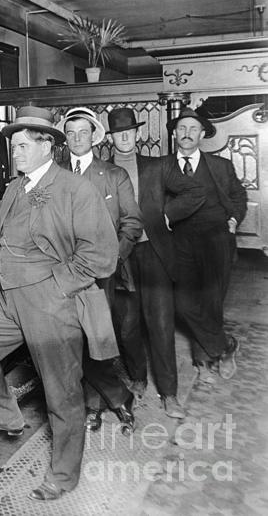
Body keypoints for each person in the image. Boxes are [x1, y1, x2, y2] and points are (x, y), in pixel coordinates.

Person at [0, 106, 118, 502]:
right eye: (14, 147)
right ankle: (4, 415)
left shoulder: (76, 189)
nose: (16, 153)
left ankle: (63, 475)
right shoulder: (16, 186)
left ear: (48, 145)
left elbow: (102, 254)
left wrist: (58, 287)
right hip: (8, 297)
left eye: (24, 146)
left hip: (51, 302)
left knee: (62, 393)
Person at [105, 107, 205, 419]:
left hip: (154, 253)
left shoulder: (158, 166)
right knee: (128, 325)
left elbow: (195, 190)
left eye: (129, 131)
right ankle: (137, 377)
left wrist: (166, 215)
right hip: (121, 255)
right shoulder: (102, 170)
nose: (124, 137)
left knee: (161, 323)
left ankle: (170, 393)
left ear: (137, 134)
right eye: (118, 133)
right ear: (110, 137)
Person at [58, 107, 142, 433]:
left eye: (83, 132)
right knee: (72, 340)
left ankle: (102, 401)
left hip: (101, 273)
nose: (77, 138)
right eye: (71, 133)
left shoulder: (113, 175)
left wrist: (112, 259)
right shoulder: (55, 174)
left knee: (96, 338)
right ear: (65, 139)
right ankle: (109, 399)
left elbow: (132, 223)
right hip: (64, 273)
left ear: (95, 136)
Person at [169, 106, 246, 382]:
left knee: (211, 303)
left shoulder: (220, 166)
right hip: (180, 243)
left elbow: (238, 196)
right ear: (175, 133)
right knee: (182, 303)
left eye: (193, 129)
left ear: (202, 134)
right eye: (182, 128)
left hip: (216, 241)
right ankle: (226, 346)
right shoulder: (162, 166)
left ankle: (203, 361)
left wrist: (235, 219)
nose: (187, 134)